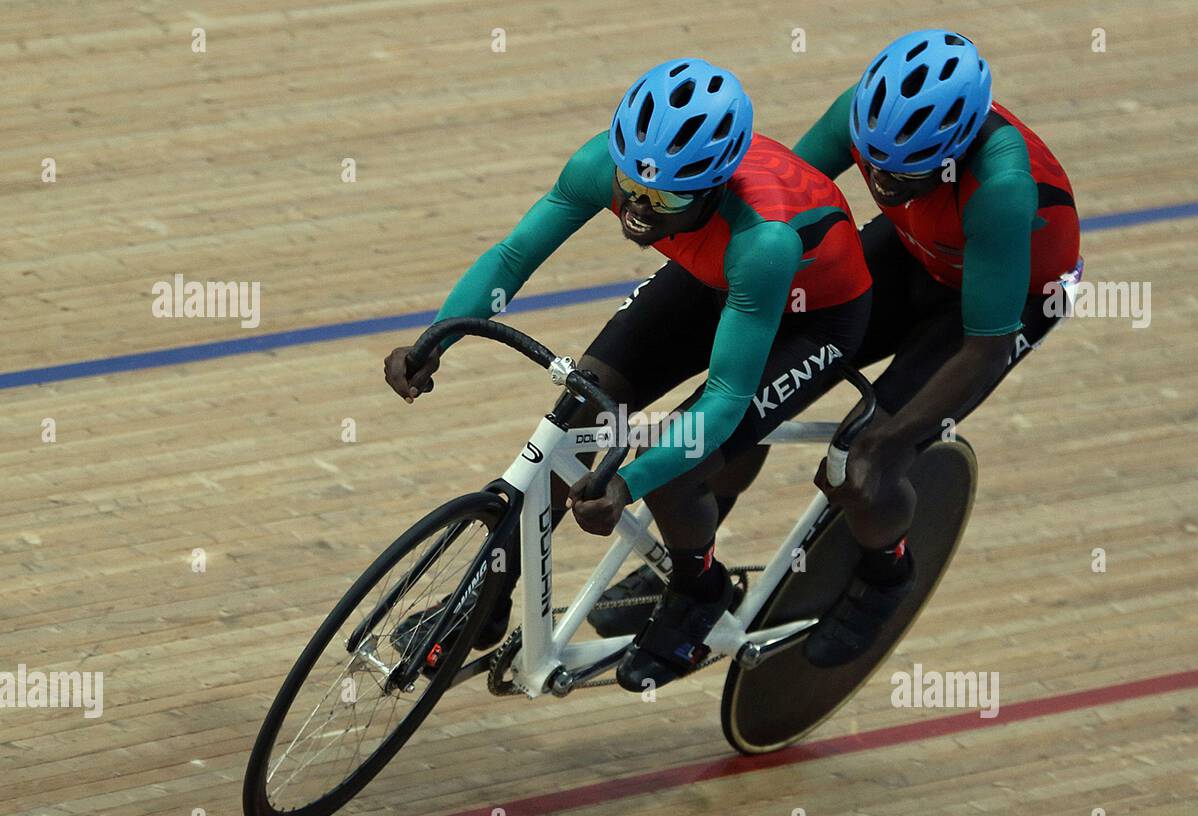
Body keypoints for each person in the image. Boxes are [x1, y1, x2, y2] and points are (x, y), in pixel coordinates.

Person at [588, 31, 1081, 669]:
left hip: (1001, 306)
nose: (882, 181)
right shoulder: (863, 114)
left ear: (956, 151)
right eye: (872, 163)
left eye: (904, 173)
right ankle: (690, 550)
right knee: (747, 393)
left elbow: (985, 348)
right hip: (912, 255)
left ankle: (886, 576)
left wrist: (891, 440)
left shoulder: (1002, 187)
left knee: (863, 460)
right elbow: (780, 199)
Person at [384, 58, 873, 690]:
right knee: (581, 407)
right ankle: (488, 598)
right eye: (632, 186)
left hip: (812, 317)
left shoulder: (763, 239)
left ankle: (700, 590)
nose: (638, 209)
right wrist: (436, 337)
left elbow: (726, 396)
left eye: (664, 199)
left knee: (678, 462)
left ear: (714, 187)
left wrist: (629, 483)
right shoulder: (606, 166)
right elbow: (512, 256)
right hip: (714, 275)